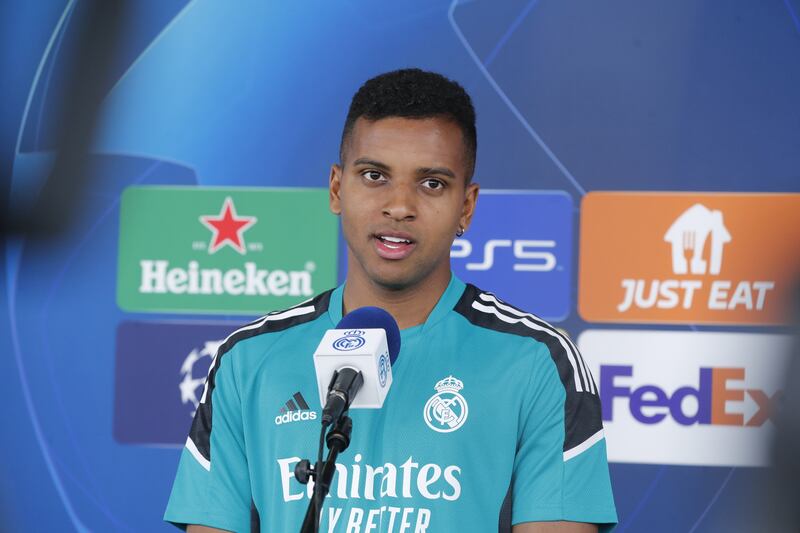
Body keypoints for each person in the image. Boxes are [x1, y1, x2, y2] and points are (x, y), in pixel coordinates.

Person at [164, 68, 617, 532]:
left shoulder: (538, 362)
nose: (400, 205)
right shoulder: (249, 359)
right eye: (375, 175)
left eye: (432, 183)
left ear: (467, 206)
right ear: (338, 188)